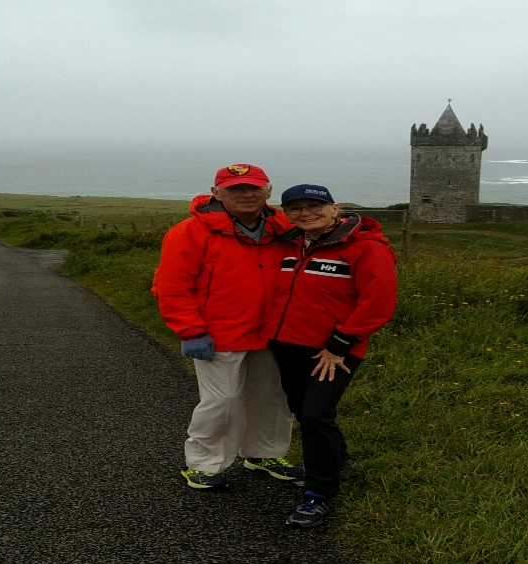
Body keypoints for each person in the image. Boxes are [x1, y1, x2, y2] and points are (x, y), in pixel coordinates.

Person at [152, 164, 304, 489]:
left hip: (275, 332)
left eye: (254, 187)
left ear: (268, 191)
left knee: (272, 397)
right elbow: (170, 287)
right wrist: (190, 330)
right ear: (216, 193)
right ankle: (203, 463)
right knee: (223, 402)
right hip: (219, 335)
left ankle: (264, 453)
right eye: (236, 189)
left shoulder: (283, 227)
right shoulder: (189, 232)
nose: (247, 194)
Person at [268, 184, 397, 528]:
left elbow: (378, 304)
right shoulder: (292, 244)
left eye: (315, 206)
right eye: (295, 208)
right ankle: (338, 457)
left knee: (314, 416)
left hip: (334, 351)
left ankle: (317, 495)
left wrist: (339, 344)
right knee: (301, 409)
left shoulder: (366, 249)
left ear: (335, 208)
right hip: (286, 344)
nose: (305, 213)